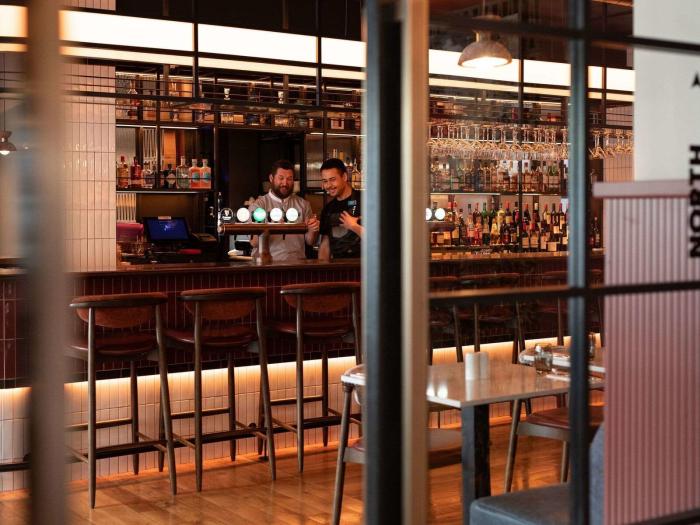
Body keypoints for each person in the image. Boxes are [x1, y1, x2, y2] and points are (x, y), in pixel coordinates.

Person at [249, 159, 319, 261]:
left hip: (297, 263)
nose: (285, 183)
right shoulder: (258, 205)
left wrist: (314, 228)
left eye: (289, 179)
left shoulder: (303, 204)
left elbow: (310, 241)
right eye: (281, 178)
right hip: (267, 264)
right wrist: (270, 227)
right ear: (271, 178)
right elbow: (254, 243)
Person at [318, 158, 363, 260]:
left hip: (364, 266)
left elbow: (379, 240)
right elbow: (325, 245)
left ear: (344, 177)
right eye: (325, 181)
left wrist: (354, 226)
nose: (329, 185)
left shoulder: (365, 201)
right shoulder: (328, 209)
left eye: (332, 179)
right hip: (339, 266)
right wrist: (322, 267)